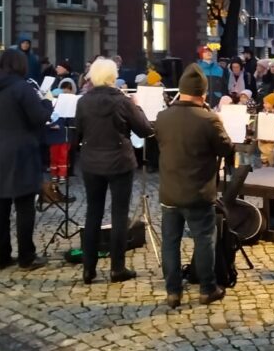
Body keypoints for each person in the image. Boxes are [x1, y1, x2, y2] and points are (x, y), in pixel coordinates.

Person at [155, 64, 234, 308]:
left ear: (181, 90)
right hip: (199, 193)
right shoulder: (208, 119)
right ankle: (207, 289)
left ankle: (173, 292)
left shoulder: (163, 117)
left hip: (170, 191)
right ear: (203, 93)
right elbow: (226, 148)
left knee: (170, 241)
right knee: (204, 239)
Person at [75, 58, 154, 284]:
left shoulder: (83, 101)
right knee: (119, 215)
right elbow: (145, 130)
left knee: (93, 212)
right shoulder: (122, 101)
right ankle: (117, 268)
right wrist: (137, 106)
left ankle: (88, 268)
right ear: (113, 76)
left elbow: (78, 133)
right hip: (119, 161)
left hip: (91, 162)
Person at [0, 49, 53, 271]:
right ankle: (26, 257)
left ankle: (1, 256)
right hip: (20, 149)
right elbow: (39, 117)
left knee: (0, 204)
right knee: (24, 205)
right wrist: (47, 104)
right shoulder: (22, 88)